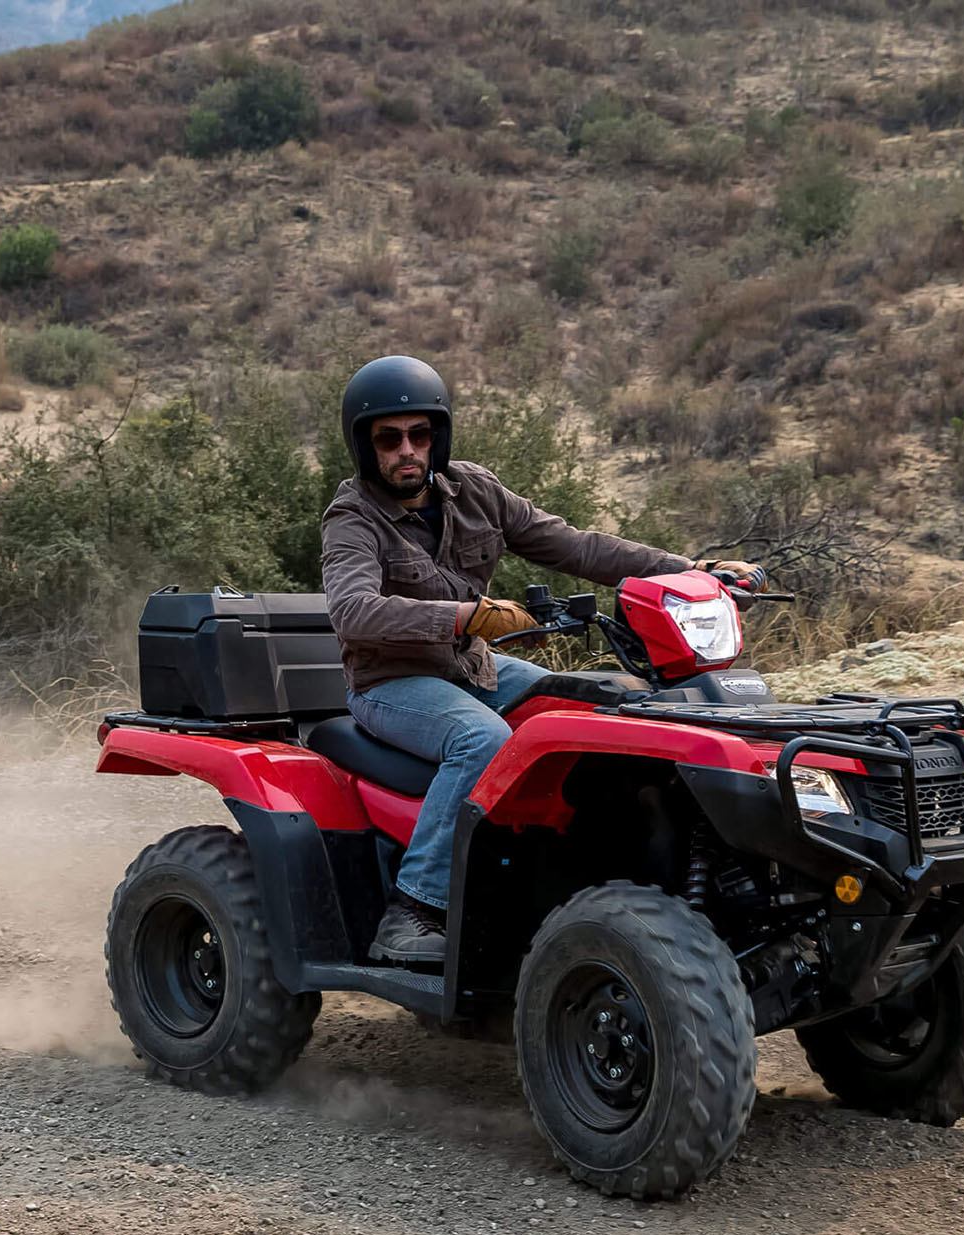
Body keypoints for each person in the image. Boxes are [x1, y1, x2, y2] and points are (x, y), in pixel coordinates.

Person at [320, 355, 760, 965]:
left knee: (608, 701)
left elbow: (578, 546)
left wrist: (688, 569)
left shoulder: (476, 491)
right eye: (389, 439)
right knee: (481, 739)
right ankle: (413, 907)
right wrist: (465, 617)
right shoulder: (351, 517)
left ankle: (597, 872)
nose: (406, 451)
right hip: (391, 683)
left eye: (419, 435)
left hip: (474, 670)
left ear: (437, 437)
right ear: (366, 448)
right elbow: (353, 611)